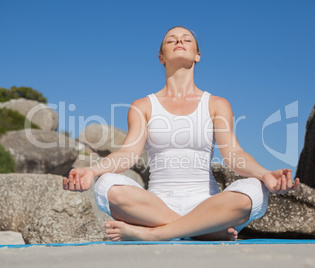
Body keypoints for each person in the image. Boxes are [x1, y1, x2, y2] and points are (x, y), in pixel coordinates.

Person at [63, 26, 300, 241]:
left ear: (198, 55)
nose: (179, 41)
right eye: (171, 40)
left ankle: (155, 233)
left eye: (187, 39)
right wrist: (92, 171)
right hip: (157, 204)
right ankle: (203, 230)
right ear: (161, 57)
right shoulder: (143, 106)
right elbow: (128, 154)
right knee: (106, 184)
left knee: (255, 189)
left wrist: (266, 174)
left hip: (206, 204)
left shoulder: (216, 104)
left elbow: (234, 155)